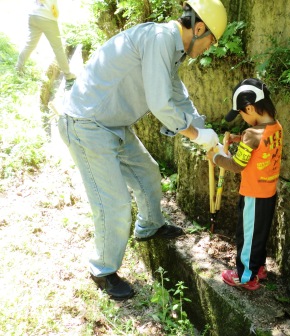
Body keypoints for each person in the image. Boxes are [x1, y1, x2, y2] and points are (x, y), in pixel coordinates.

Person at [58, 0, 227, 300]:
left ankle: (149, 226)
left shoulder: (172, 49)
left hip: (114, 122)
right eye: (211, 41)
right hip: (87, 123)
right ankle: (103, 270)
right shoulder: (160, 39)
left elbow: (178, 96)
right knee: (115, 203)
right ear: (199, 28)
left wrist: (205, 132)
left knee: (148, 173)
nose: (209, 48)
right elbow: (161, 104)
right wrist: (195, 135)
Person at [207, 78, 283, 290]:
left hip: (253, 194)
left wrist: (215, 158)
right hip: (268, 192)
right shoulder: (276, 126)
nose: (241, 116)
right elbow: (260, 144)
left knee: (247, 235)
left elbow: (237, 164)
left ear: (250, 107)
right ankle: (258, 267)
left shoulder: (252, 133)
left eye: (241, 113)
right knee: (260, 232)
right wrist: (238, 139)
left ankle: (246, 276)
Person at [16, 0, 76, 82]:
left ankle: (18, 68)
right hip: (47, 16)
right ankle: (68, 74)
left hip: (33, 14)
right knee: (58, 48)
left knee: (29, 45)